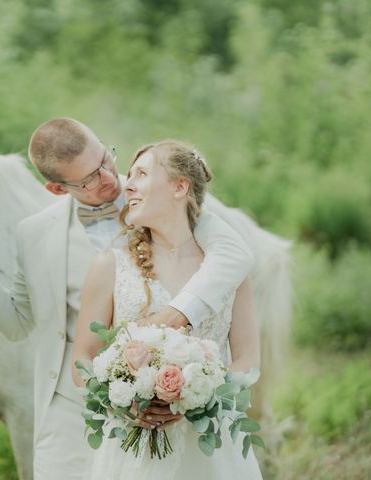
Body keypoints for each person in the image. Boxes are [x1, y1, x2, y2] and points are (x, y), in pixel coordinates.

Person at [0, 118, 255, 479]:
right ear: (56, 188)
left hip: (189, 421)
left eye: (105, 160)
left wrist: (180, 330)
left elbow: (236, 257)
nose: (110, 178)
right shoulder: (34, 234)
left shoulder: (175, 204)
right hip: (70, 405)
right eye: (89, 179)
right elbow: (19, 322)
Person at [72, 140, 262, 479]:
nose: (127, 184)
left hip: (211, 451)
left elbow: (247, 359)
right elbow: (81, 361)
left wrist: (199, 397)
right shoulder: (109, 267)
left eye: (142, 174)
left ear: (180, 186)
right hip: (135, 455)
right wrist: (124, 401)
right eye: (129, 175)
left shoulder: (227, 272)